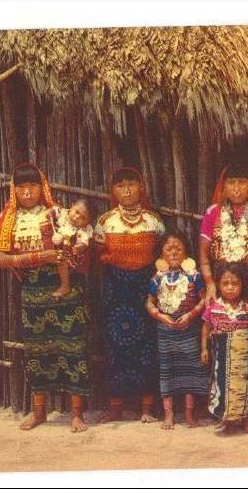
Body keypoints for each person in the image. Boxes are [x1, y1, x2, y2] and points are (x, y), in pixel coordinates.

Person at [0, 163, 90, 432]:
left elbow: (79, 240)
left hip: (67, 289)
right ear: (14, 190)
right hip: (33, 290)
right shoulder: (7, 220)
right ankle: (39, 413)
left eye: (32, 186)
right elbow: (2, 260)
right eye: (21, 187)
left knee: (72, 347)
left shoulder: (57, 213)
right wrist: (42, 257)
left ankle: (76, 415)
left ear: (42, 187)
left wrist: (73, 252)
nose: (27, 192)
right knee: (37, 350)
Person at [199, 163, 248, 425]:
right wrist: (210, 283)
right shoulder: (213, 213)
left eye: (242, 183)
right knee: (221, 342)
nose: (236, 188)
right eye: (231, 183)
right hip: (224, 282)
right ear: (224, 187)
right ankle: (224, 404)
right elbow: (204, 253)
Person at [94, 167, 165, 423]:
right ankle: (116, 405)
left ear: (141, 188)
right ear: (112, 191)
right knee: (115, 346)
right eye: (120, 185)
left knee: (147, 344)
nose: (126, 190)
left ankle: (147, 406)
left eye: (131, 185)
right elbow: (98, 256)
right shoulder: (105, 222)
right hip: (115, 290)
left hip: (144, 289)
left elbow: (161, 255)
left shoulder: (153, 221)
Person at [146, 230, 208, 430]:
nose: (174, 252)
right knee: (167, 369)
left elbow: (204, 299)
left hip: (189, 328)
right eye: (169, 248)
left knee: (190, 368)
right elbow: (150, 303)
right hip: (165, 330)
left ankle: (189, 412)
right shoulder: (157, 278)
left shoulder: (194, 275)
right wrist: (160, 315)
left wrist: (190, 315)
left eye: (178, 248)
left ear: (186, 252)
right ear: (161, 253)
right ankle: (169, 413)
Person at [201, 263, 248, 434]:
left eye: (235, 283)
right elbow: (205, 328)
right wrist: (204, 349)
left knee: (244, 386)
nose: (230, 288)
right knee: (222, 387)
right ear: (218, 284)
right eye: (225, 283)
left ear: (242, 285)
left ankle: (246, 418)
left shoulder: (246, 307)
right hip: (222, 357)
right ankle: (227, 419)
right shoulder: (213, 307)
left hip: (242, 357)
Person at [49, 198, 95, 298]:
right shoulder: (64, 213)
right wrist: (50, 212)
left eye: (82, 218)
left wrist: (80, 247)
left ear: (87, 223)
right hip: (55, 243)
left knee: (62, 262)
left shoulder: (83, 230)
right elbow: (54, 210)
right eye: (76, 212)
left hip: (68, 252)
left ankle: (65, 286)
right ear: (72, 206)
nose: (76, 217)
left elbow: (84, 242)